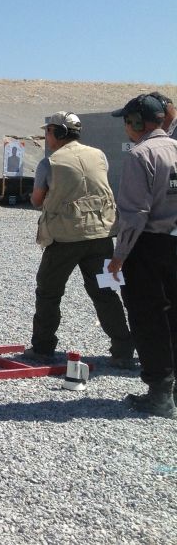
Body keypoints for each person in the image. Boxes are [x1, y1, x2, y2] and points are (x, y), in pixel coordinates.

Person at [25, 112, 135, 367]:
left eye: (48, 131)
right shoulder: (99, 155)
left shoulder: (49, 163)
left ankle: (42, 348)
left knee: (48, 293)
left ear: (59, 132)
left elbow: (37, 200)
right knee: (106, 292)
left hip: (64, 238)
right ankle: (123, 349)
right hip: (101, 235)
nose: (46, 137)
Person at [107, 94, 177, 419]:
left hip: (148, 247)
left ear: (137, 122)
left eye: (127, 121)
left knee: (149, 319)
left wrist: (119, 255)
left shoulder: (140, 155)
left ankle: (159, 394)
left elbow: (134, 214)